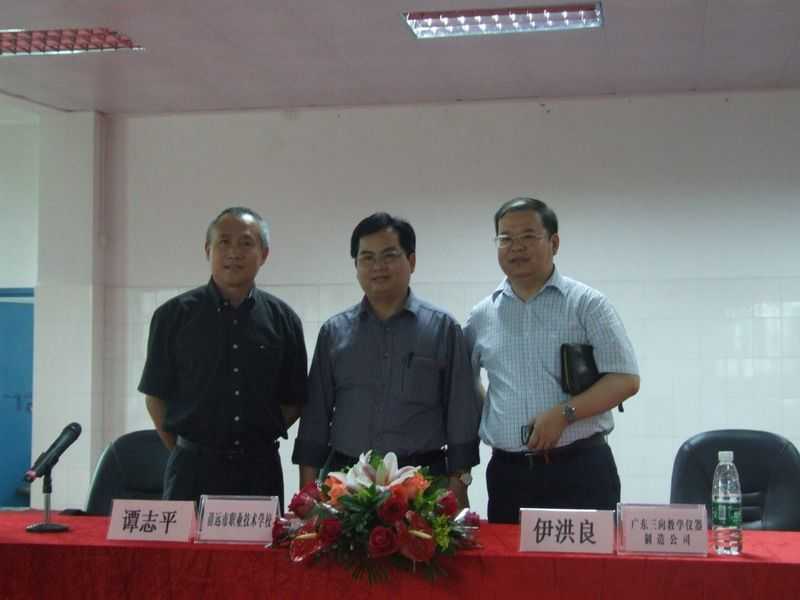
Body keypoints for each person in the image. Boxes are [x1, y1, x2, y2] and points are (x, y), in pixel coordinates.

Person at [464, 197, 640, 523]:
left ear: (554, 242)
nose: (516, 247)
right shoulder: (482, 315)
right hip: (510, 474)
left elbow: (625, 379)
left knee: (587, 558)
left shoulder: (587, 305)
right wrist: (494, 412)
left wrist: (564, 414)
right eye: (506, 238)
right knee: (511, 558)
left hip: (580, 469)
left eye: (528, 236)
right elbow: (465, 381)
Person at [292, 212, 481, 506]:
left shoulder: (443, 329)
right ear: (356, 267)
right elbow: (315, 416)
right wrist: (308, 490)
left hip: (423, 483)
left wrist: (459, 484)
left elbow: (461, 414)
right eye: (367, 258)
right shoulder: (334, 332)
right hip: (346, 483)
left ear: (412, 261)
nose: (378, 267)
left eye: (389, 255)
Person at [139, 207, 307, 509]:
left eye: (246, 243)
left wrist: (251, 441)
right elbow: (155, 398)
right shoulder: (172, 316)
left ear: (264, 254)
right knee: (184, 543)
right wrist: (188, 449)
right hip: (191, 472)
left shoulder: (284, 320)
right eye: (224, 242)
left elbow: (293, 402)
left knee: (259, 544)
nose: (234, 253)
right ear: (208, 250)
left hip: (259, 472)